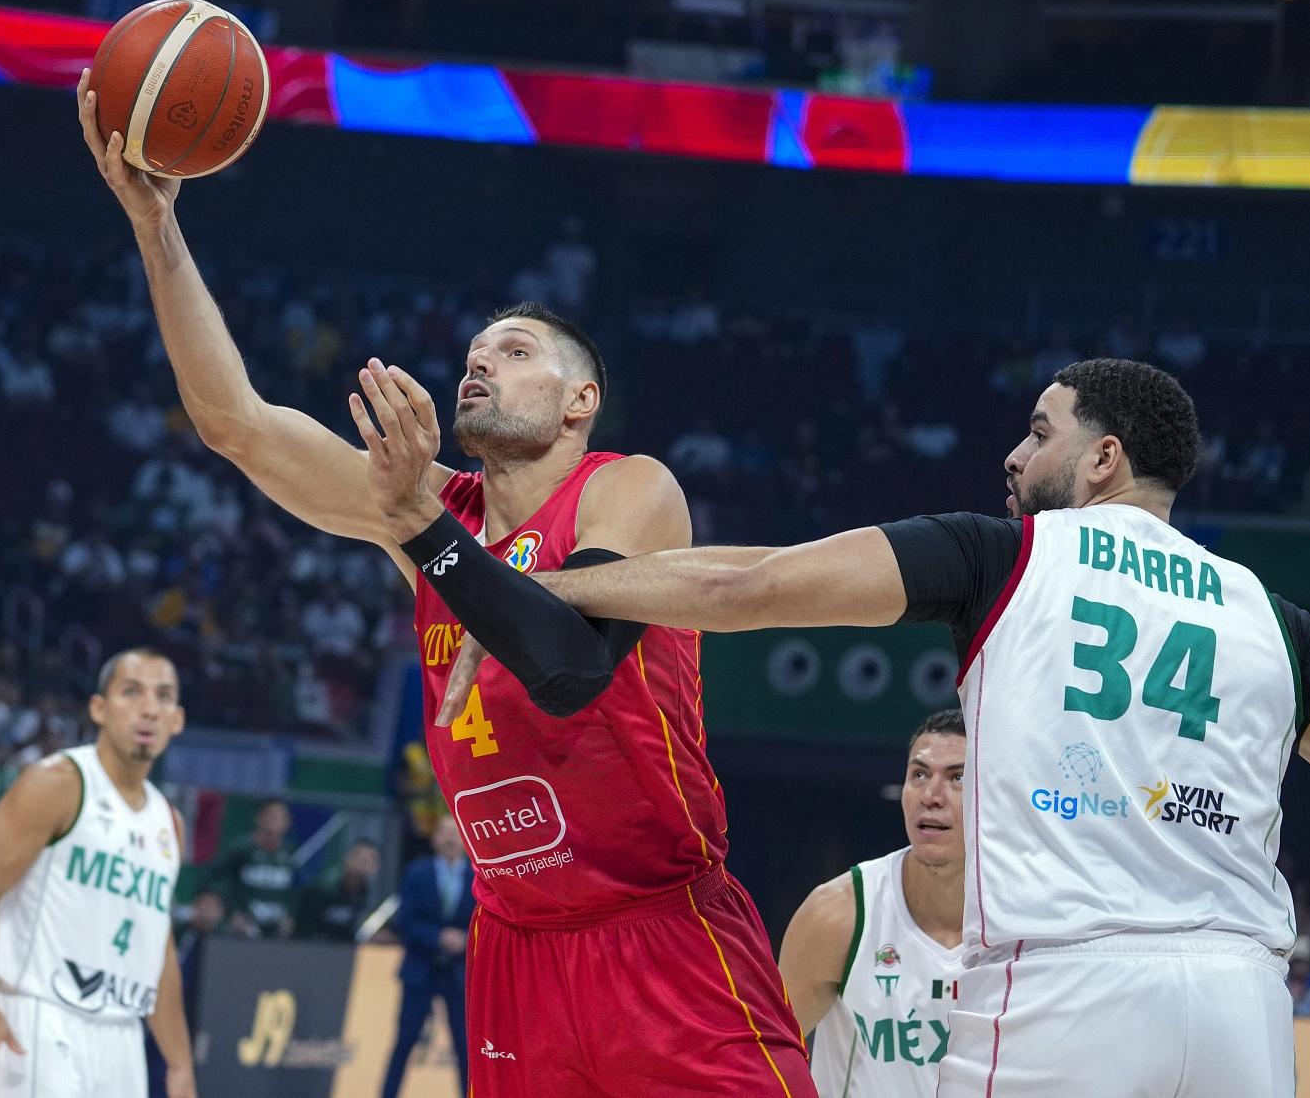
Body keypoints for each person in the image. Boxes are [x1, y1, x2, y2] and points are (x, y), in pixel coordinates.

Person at [77, 71, 814, 1098]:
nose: (480, 365)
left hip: (657, 927)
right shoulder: (423, 511)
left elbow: (568, 660)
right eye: (473, 354)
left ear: (578, 401)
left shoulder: (627, 489)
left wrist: (416, 524)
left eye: (514, 352)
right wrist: (156, 226)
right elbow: (235, 422)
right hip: (511, 946)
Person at [463, 357, 1310, 1096]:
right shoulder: (1276, 621)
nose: (1012, 453)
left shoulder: (1003, 556)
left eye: (1039, 431)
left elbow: (750, 584)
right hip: (1241, 1010)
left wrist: (544, 584)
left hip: (1067, 989)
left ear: (1102, 459)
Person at [0, 648, 195, 1098]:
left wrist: (179, 1064)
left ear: (177, 720)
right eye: (132, 692)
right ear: (99, 708)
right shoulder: (58, 784)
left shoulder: (168, 822)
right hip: (40, 1018)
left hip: (122, 1034)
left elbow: (158, 947)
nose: (149, 709)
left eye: (163, 696)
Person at [779, 709, 964, 1097]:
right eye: (919, 774)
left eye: (957, 778)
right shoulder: (839, 914)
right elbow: (761, 1060)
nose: (931, 796)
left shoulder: (1030, 924)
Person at [382, 816, 475, 1098]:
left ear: (466, 840)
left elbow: (486, 921)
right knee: (405, 1041)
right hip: (420, 968)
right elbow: (405, 921)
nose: (450, 838)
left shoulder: (478, 875)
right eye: (444, 832)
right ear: (434, 839)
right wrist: (438, 937)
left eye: (455, 833)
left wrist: (466, 938)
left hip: (458, 972)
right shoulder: (417, 872)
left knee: (465, 1046)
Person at [212, 798, 299, 938]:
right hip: (242, 928)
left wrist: (290, 916)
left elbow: (296, 891)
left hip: (277, 930)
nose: (275, 823)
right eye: (271, 817)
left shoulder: (291, 854)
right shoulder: (240, 850)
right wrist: (232, 913)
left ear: (287, 822)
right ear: (259, 818)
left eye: (280, 818)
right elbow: (216, 881)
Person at [298, 837, 384, 942]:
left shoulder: (372, 898)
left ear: (375, 867)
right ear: (347, 858)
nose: (361, 864)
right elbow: (304, 931)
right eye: (359, 858)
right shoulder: (321, 889)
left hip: (349, 948)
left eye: (367, 860)